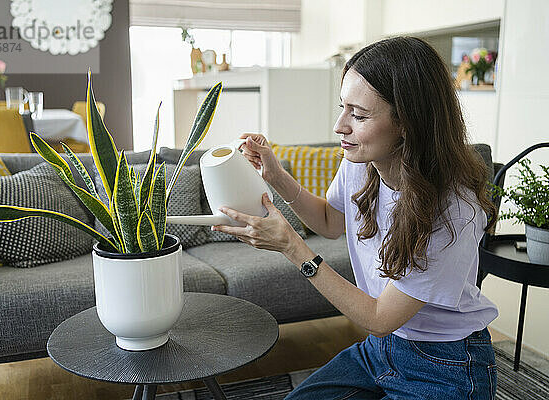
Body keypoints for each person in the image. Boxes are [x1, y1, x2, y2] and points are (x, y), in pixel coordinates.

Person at [211, 36, 499, 399]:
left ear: (407, 124)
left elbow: (380, 318)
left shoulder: (455, 209)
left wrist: (292, 247)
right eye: (343, 107)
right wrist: (276, 177)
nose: (339, 126)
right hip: (380, 352)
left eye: (358, 115)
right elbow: (331, 221)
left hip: (446, 365)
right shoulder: (361, 165)